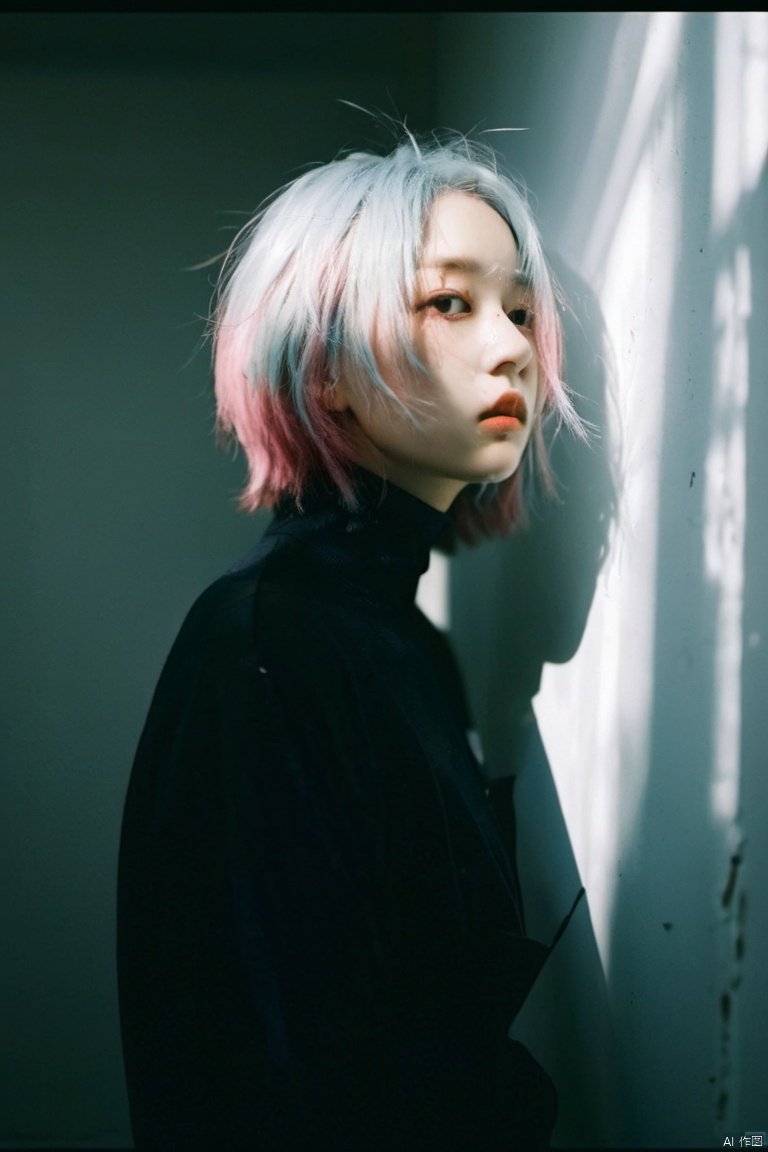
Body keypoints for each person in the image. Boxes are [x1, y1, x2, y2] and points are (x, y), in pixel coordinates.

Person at [117, 131, 586, 1151]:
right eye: (450, 302)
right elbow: (272, 1077)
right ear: (327, 364)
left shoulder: (399, 644)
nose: (512, 347)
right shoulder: (264, 640)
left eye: (518, 309)